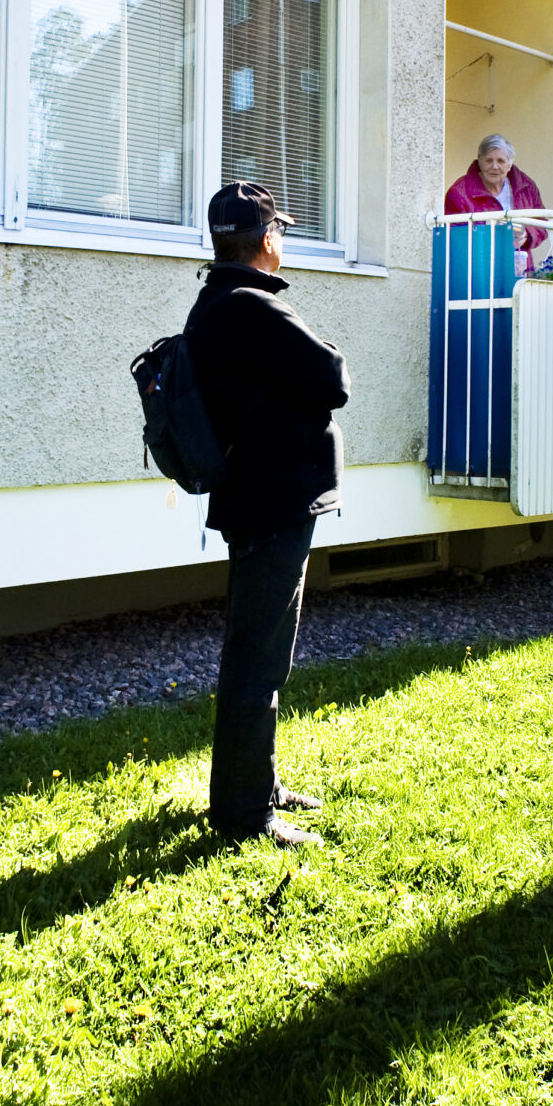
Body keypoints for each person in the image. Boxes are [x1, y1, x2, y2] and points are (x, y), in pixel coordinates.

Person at [185, 181, 350, 847]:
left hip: (263, 499)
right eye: (278, 228)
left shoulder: (217, 304)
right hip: (273, 502)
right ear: (265, 239)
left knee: (263, 654)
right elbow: (334, 377)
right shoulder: (250, 307)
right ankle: (245, 813)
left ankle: (258, 784)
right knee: (257, 658)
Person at [443, 134, 548, 271]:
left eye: (501, 161)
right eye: (488, 160)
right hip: (478, 270)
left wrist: (526, 235)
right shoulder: (460, 192)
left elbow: (542, 223)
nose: (495, 166)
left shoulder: (526, 187)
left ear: (510, 164)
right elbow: (454, 237)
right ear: (479, 161)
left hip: (519, 267)